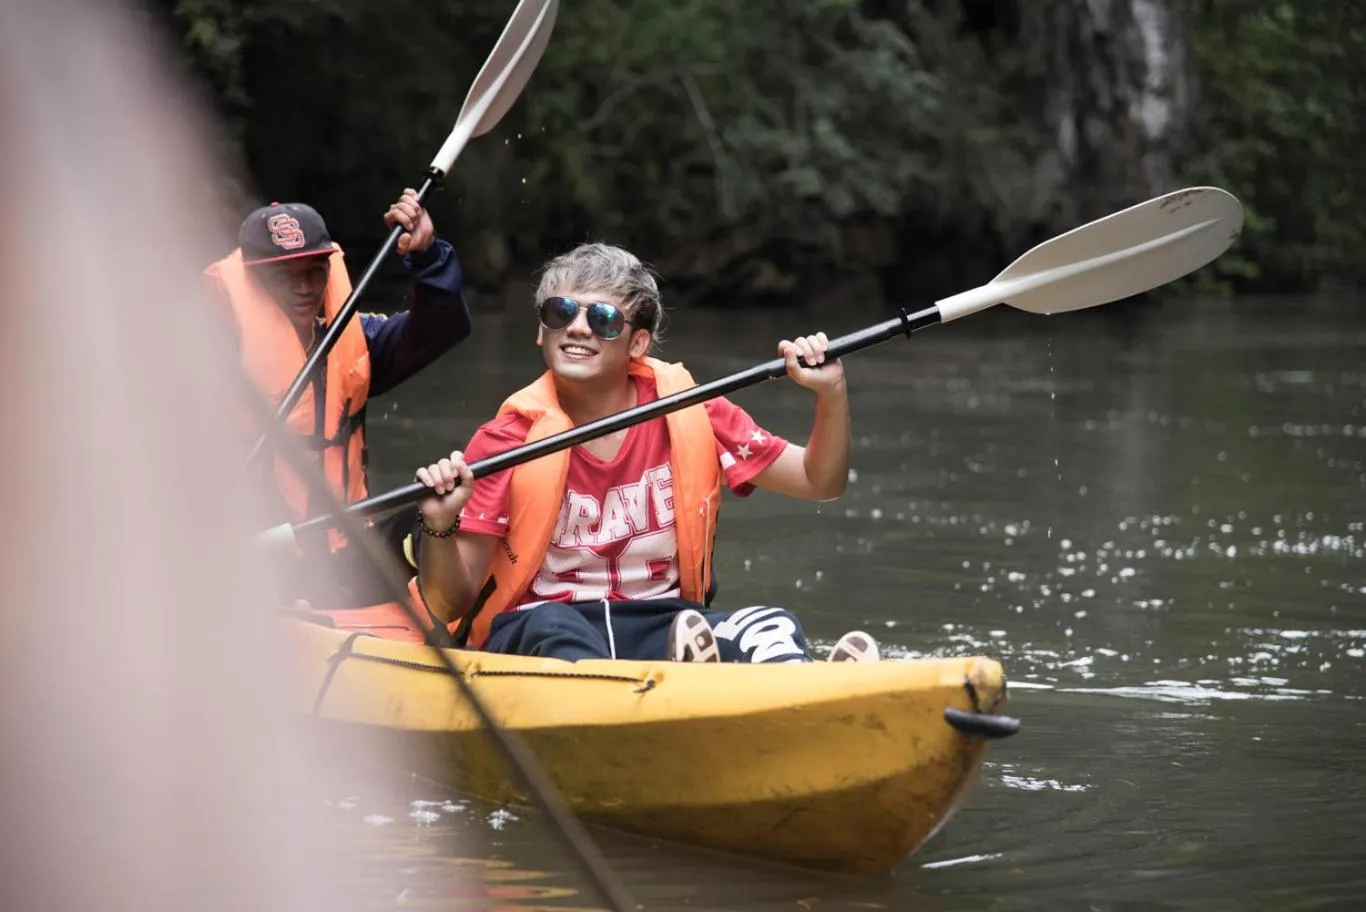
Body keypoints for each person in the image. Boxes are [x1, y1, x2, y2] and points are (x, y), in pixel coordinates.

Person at [409, 242, 879, 663]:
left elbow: (820, 482)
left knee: (772, 626)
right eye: (561, 313)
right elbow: (450, 603)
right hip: (542, 627)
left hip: (663, 624)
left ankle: (810, 690)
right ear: (541, 331)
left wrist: (831, 392)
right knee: (557, 629)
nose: (577, 329)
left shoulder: (691, 409)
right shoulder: (507, 438)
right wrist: (438, 524)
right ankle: (671, 694)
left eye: (603, 319)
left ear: (637, 343)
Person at [205, 190, 471, 610]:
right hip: (259, 557)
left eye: (315, 271)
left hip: (346, 553)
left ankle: (446, 615)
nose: (305, 287)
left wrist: (426, 256)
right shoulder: (211, 358)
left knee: (432, 515)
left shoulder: (352, 339)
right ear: (253, 280)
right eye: (285, 275)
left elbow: (443, 326)